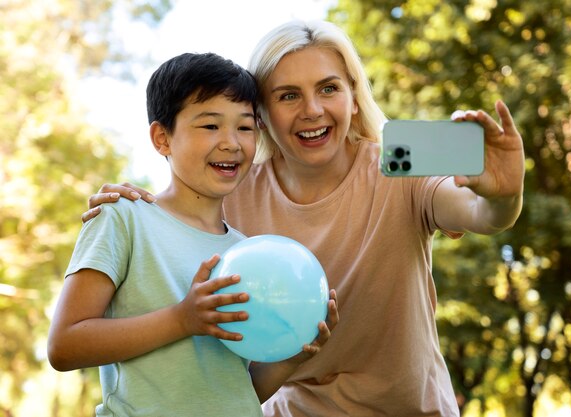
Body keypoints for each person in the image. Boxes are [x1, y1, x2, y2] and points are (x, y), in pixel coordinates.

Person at [83, 19, 525, 417]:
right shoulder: (234, 190)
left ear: (354, 97)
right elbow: (176, 216)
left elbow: (478, 211)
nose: (311, 109)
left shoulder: (399, 161)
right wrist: (132, 204)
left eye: (329, 88)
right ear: (264, 115)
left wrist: (504, 196)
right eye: (288, 95)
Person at [48, 51, 338, 417]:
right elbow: (64, 345)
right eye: (210, 125)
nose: (232, 142)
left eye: (245, 127)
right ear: (162, 138)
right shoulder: (123, 218)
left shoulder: (245, 253)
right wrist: (182, 319)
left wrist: (291, 357)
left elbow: (234, 387)